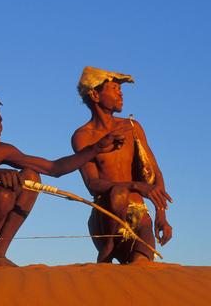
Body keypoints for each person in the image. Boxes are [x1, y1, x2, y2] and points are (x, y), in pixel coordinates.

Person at [0, 91, 125, 267]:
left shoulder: (1, 151)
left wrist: (96, 148)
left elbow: (54, 168)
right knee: (4, 197)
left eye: (0, 121)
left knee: (30, 176)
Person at [71, 66, 173, 264]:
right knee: (118, 192)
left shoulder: (132, 127)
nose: (120, 93)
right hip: (107, 216)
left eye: (121, 89)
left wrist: (161, 214)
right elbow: (92, 183)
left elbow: (155, 172)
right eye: (114, 88)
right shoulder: (83, 137)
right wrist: (134, 185)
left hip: (139, 214)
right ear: (95, 94)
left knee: (141, 267)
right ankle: (109, 247)